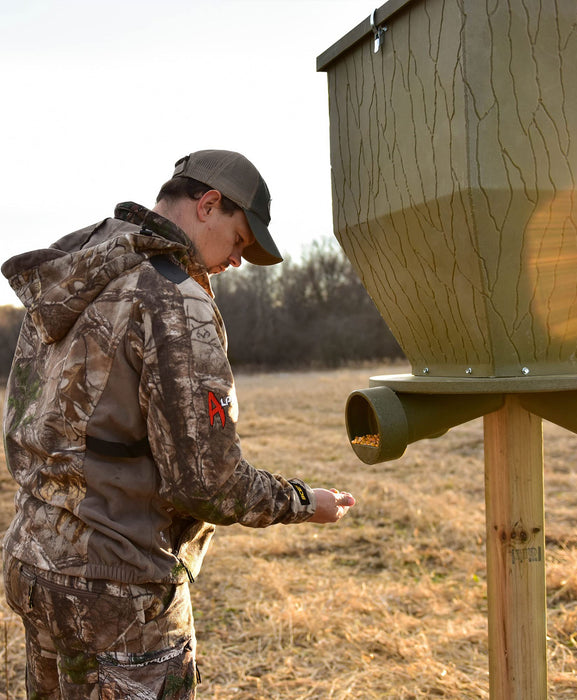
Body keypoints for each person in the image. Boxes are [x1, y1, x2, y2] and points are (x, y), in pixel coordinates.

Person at [1, 149, 356, 699]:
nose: (236, 262)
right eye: (239, 241)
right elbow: (207, 483)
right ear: (209, 205)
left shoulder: (75, 271)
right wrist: (307, 502)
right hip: (120, 589)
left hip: (34, 565)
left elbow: (27, 420)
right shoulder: (172, 298)